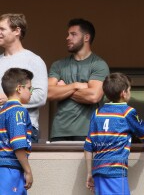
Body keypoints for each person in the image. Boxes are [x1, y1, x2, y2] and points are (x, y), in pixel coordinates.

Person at [84, 72, 144, 195]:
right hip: (116, 171)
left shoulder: (97, 113)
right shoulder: (127, 112)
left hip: (98, 171)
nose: (130, 92)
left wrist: (89, 173)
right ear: (124, 93)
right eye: (129, 90)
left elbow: (88, 145)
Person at [48, 18, 109, 141]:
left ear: (86, 37)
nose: (68, 37)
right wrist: (76, 85)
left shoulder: (98, 64)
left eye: (73, 34)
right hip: (59, 131)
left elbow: (94, 96)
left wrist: (63, 88)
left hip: (87, 131)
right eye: (68, 34)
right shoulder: (58, 65)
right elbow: (48, 93)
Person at [0, 13, 48, 143]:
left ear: (16, 31)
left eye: (2, 29)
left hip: (24, 128)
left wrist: (9, 99)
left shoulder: (34, 60)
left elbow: (40, 96)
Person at [0, 68, 34, 194]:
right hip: (11, 169)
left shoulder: (2, 111)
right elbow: (18, 144)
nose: (31, 92)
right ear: (19, 88)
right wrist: (28, 171)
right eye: (29, 88)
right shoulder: (18, 111)